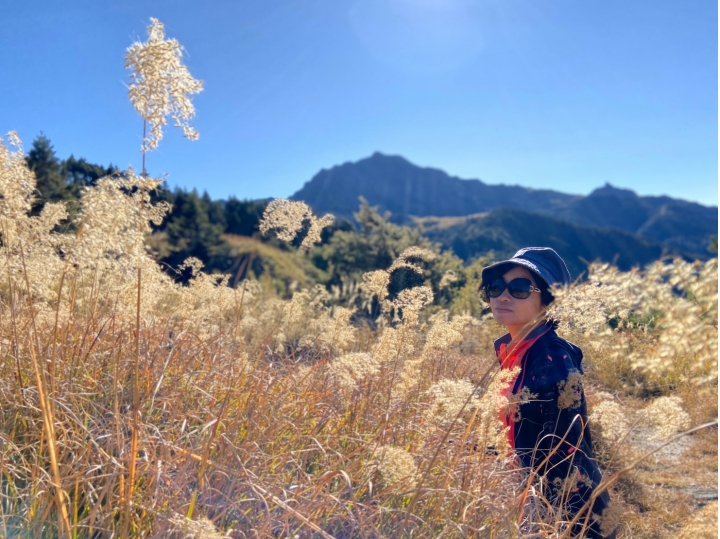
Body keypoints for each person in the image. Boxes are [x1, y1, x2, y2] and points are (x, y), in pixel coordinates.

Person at [481, 247, 616, 539]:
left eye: (519, 288)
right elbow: (517, 432)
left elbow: (561, 450)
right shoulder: (513, 351)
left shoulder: (551, 358)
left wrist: (541, 519)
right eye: (495, 287)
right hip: (530, 506)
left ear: (547, 301)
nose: (502, 296)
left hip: (568, 518)